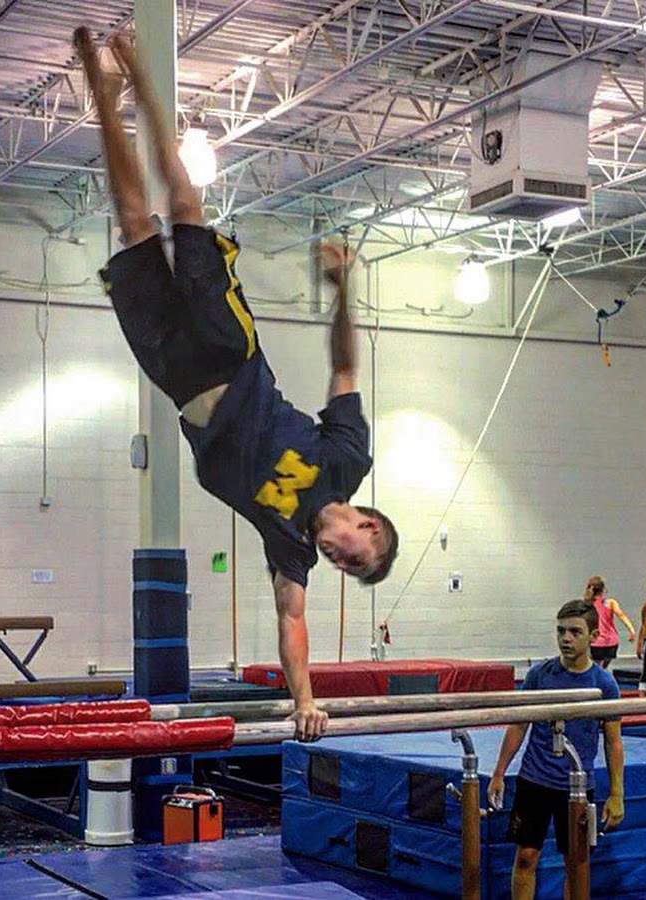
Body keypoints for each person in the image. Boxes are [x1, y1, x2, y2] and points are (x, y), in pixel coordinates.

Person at [73, 27, 398, 740]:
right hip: (229, 352)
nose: (340, 561)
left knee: (133, 226)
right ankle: (143, 80)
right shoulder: (347, 458)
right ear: (367, 525)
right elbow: (345, 368)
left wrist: (305, 700)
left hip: (176, 377)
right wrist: (344, 290)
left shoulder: (291, 546)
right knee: (186, 212)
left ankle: (102, 93)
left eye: (346, 570)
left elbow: (291, 618)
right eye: (355, 557)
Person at [487, 599, 625, 900]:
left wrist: (617, 794)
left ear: (594, 635)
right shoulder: (540, 675)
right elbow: (518, 725)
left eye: (575, 632)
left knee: (576, 863)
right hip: (534, 779)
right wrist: (498, 773)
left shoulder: (604, 684)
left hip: (577, 786)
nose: (566, 638)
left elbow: (613, 741)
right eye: (561, 631)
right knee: (526, 857)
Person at [585, 575, 636, 669]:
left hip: (596, 641)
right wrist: (631, 629)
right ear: (603, 589)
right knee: (604, 667)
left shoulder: (587, 604)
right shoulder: (610, 602)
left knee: (597, 667)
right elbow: (621, 615)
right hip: (611, 641)